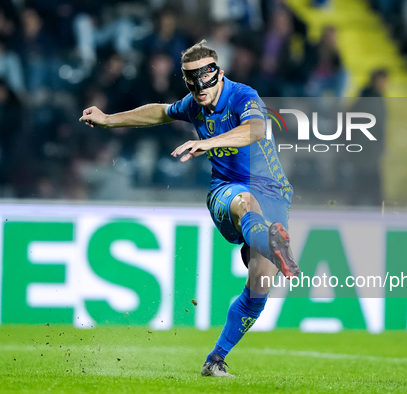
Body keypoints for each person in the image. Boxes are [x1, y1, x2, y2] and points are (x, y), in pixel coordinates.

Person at [79, 40, 300, 378]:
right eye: (190, 81)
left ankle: (216, 359)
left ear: (219, 75)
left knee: (261, 281)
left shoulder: (243, 96)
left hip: (274, 194)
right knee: (245, 203)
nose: (198, 88)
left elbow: (255, 129)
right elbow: (160, 111)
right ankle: (268, 240)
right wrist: (109, 119)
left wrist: (207, 142)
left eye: (203, 80)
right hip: (227, 191)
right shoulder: (195, 103)